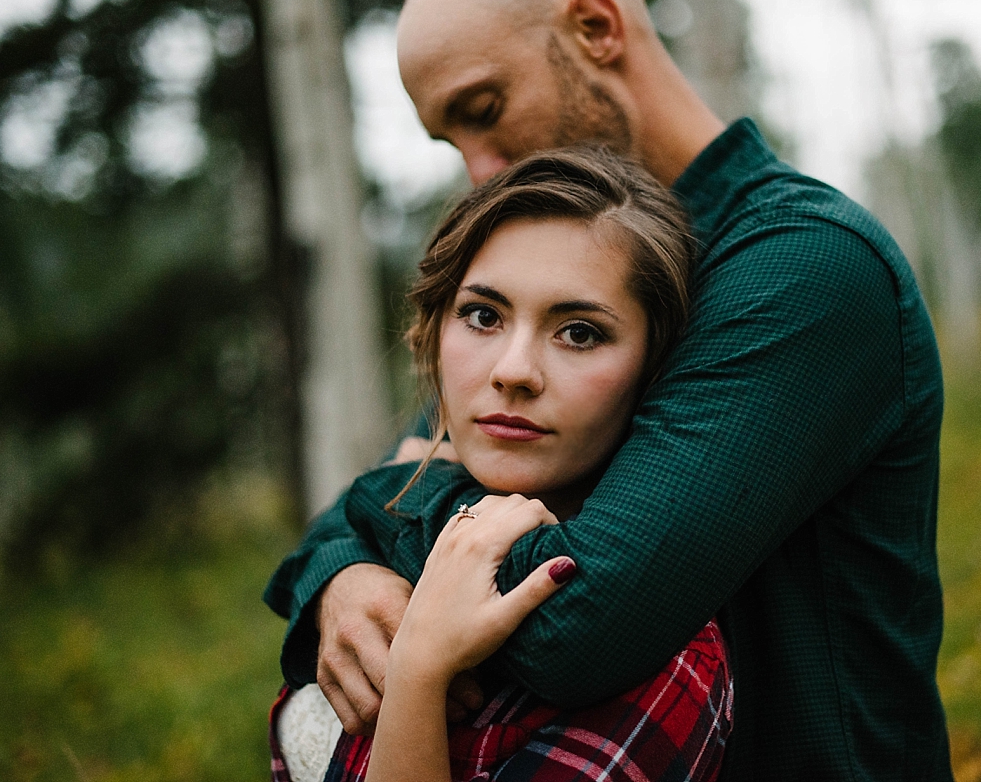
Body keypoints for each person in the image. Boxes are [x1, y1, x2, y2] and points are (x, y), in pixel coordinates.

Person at [265, 0, 954, 780]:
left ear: (595, 29)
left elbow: (573, 621)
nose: (480, 173)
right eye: (452, 141)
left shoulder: (803, 266)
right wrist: (342, 576)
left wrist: (393, 531)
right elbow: (406, 476)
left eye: (484, 110)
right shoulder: (539, 278)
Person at [271, 146, 731, 782]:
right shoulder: (384, 534)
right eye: (483, 316)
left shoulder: (665, 663)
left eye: (579, 332)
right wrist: (341, 573)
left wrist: (420, 668)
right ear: (433, 332)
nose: (513, 371)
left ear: (654, 370)